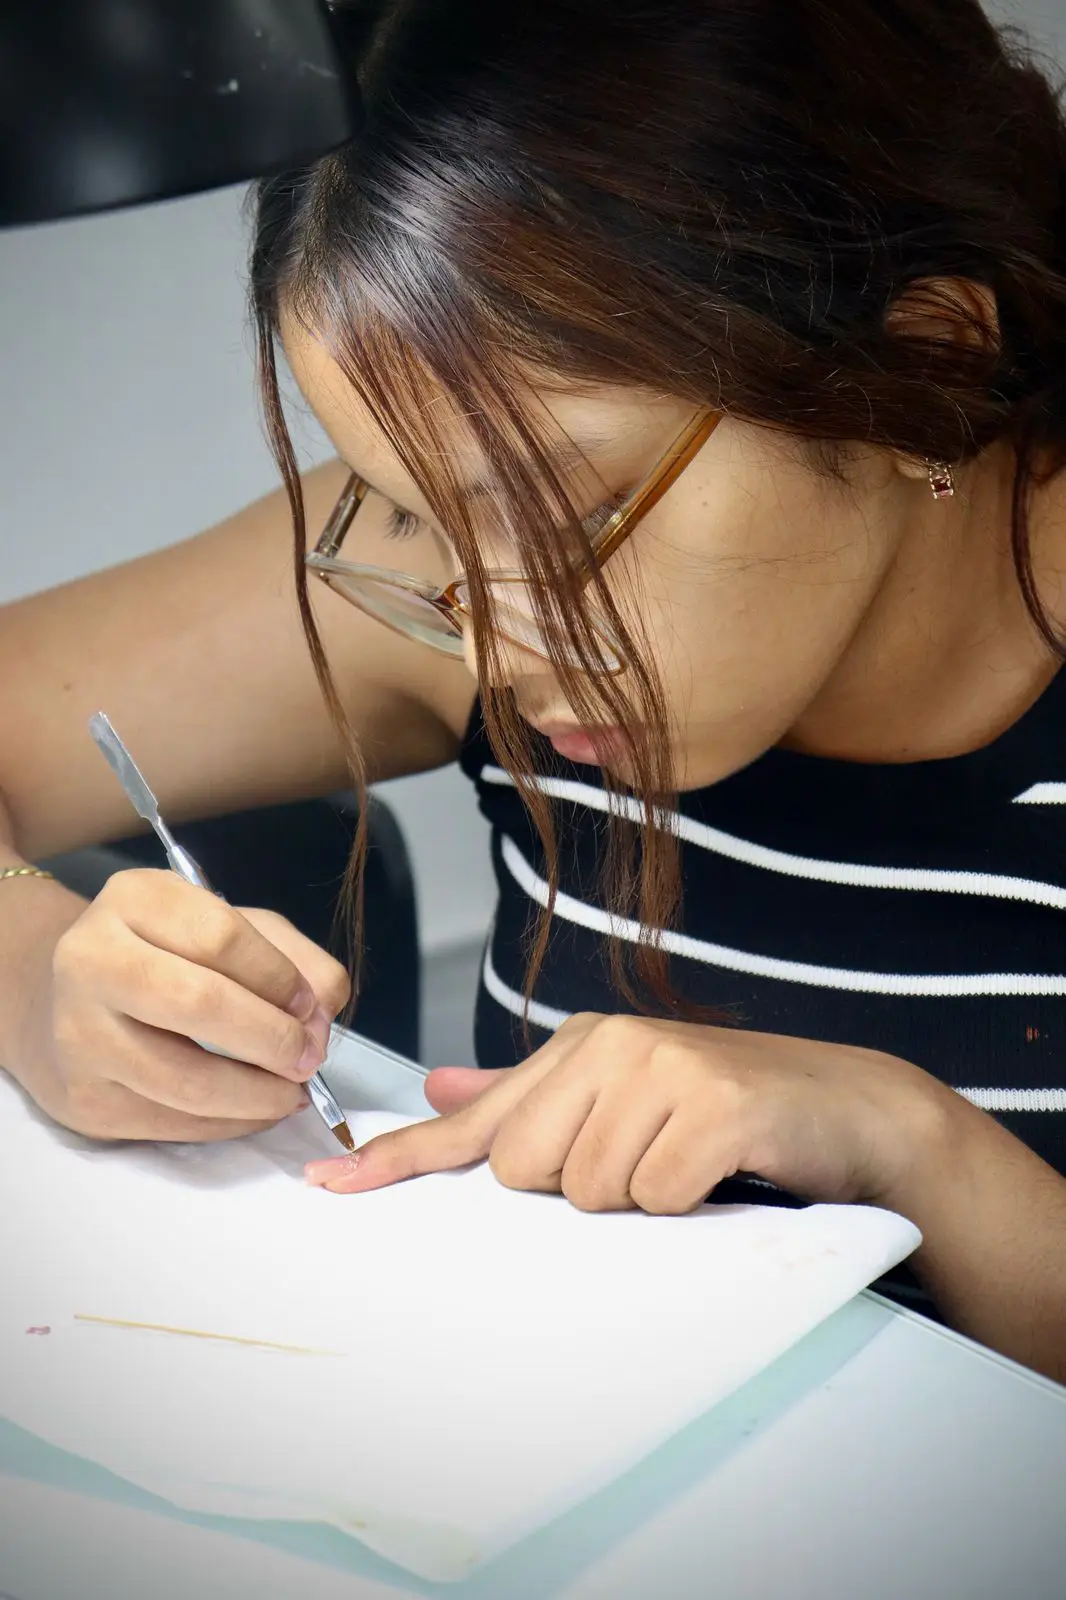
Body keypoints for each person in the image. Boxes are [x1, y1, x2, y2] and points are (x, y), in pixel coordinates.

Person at [1, 0, 1065, 1382]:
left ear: (925, 361)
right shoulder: (462, 584)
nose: (491, 650)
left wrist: (912, 1147)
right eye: (409, 511)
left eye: (568, 520)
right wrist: (30, 975)